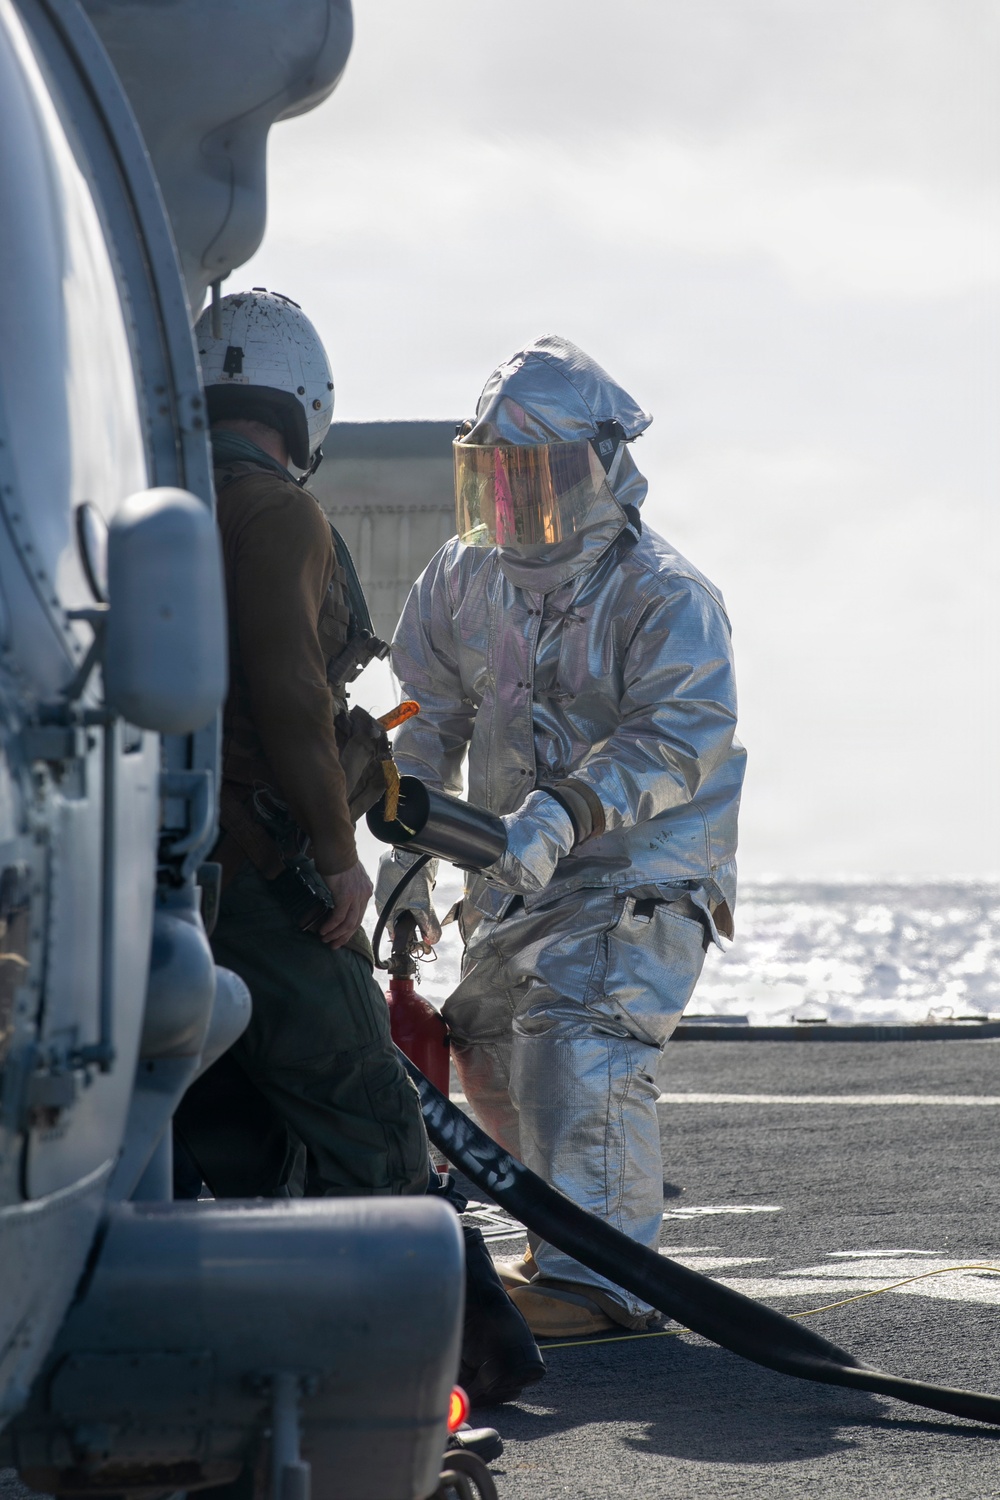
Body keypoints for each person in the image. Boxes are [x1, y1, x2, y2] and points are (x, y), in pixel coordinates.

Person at [174, 288, 545, 1405]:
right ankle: (429, 1375)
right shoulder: (277, 512)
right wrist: (339, 856)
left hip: (178, 879)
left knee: (227, 1119)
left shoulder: (166, 500)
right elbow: (287, 691)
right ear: (305, 408)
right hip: (270, 880)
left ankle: (273, 1353)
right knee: (371, 1119)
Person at [376, 335, 746, 1338]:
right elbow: (427, 716)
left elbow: (681, 734)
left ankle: (604, 1282)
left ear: (598, 466)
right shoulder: (463, 576)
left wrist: (566, 811)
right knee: (488, 1042)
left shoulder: (663, 594)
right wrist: (405, 858)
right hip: (513, 876)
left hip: (639, 875)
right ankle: (560, 1251)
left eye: (535, 469)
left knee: (574, 1038)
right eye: (497, 470)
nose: (513, 493)